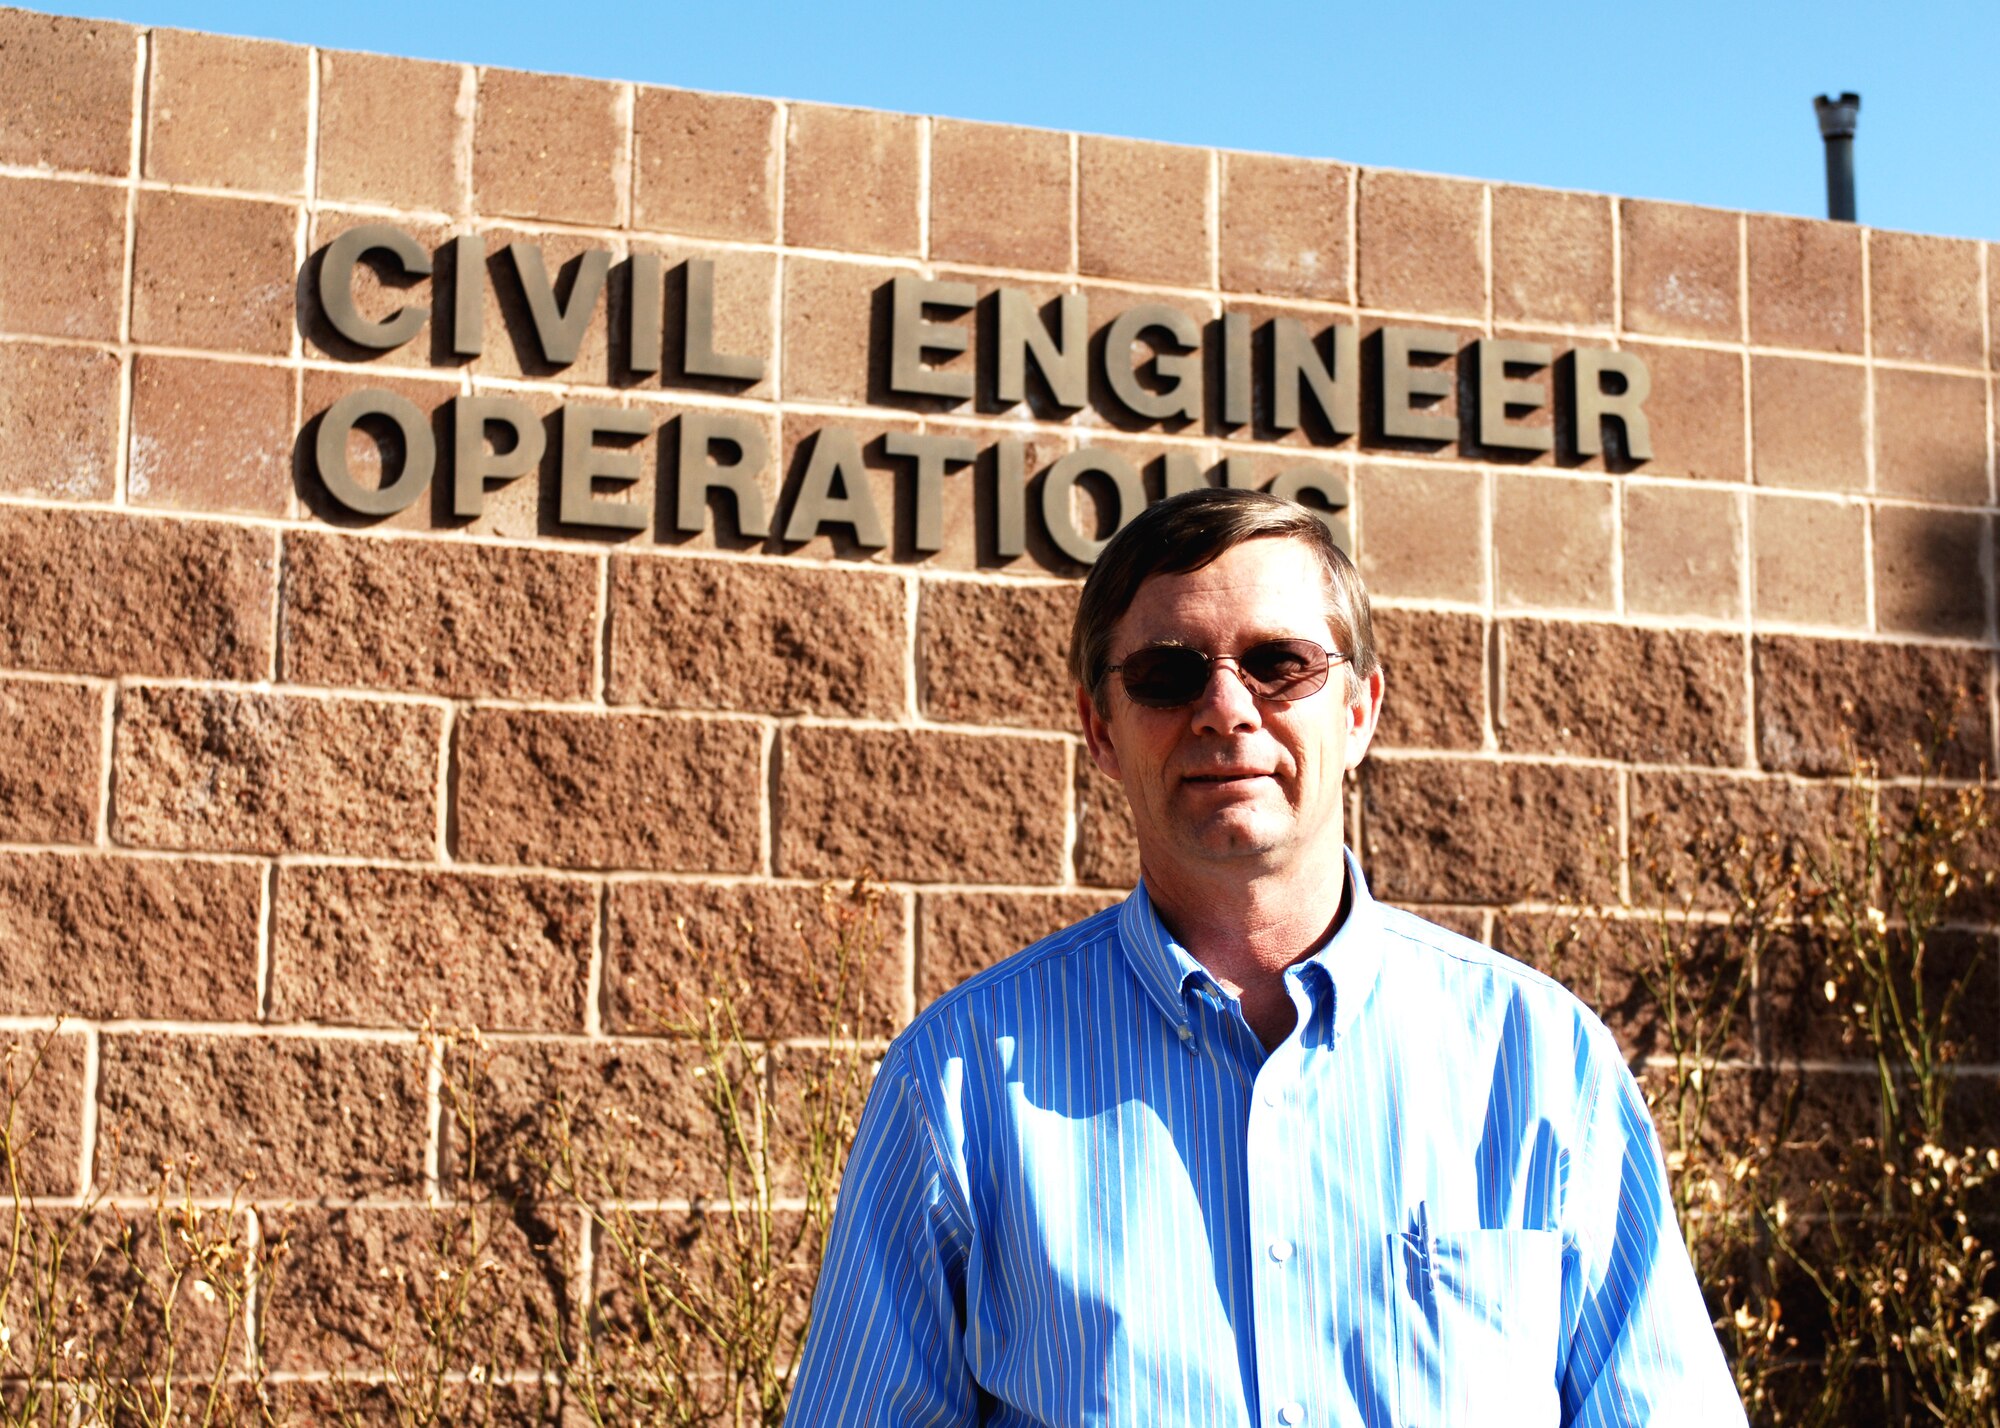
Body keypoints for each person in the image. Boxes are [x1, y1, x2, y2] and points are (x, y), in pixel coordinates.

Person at [784, 488, 1746, 1427]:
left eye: (1279, 663)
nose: (1225, 709)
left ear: (1360, 712)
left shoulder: (1541, 1061)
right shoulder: (957, 1083)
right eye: (1167, 673)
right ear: (1099, 729)